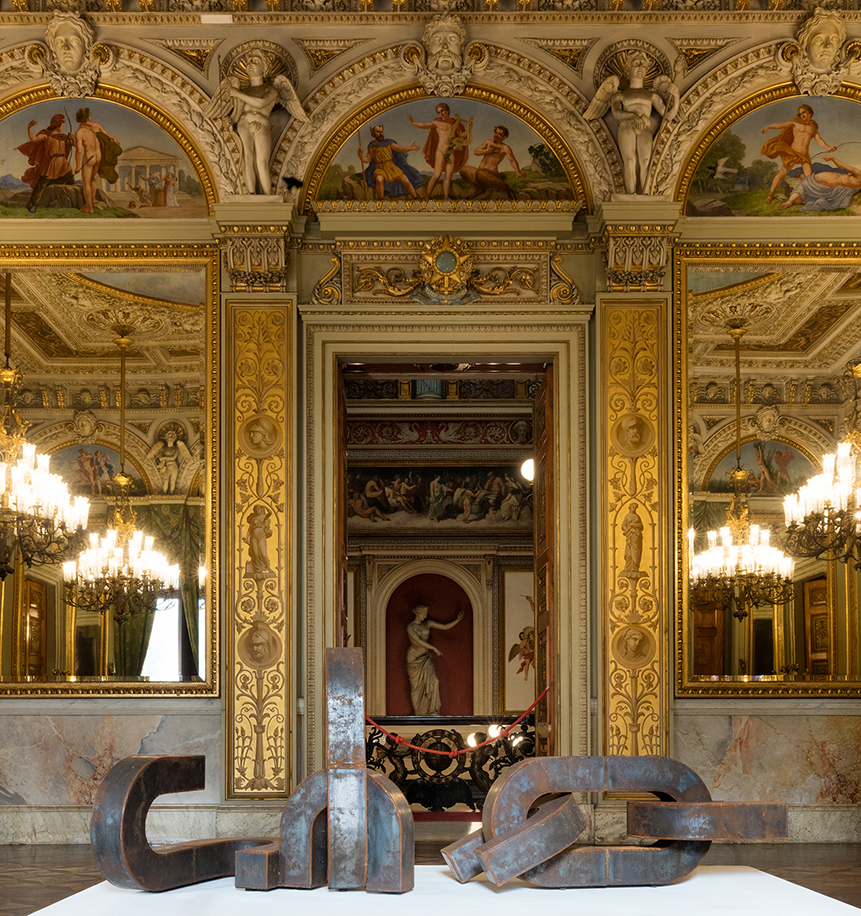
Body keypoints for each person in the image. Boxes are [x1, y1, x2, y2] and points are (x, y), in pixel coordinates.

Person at [207, 49, 308, 195]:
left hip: (262, 124)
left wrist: (237, 93)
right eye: (249, 61)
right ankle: (251, 194)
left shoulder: (271, 90)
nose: (250, 64)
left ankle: (268, 197)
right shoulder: (243, 91)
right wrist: (230, 123)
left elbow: (261, 103)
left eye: (255, 61)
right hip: (244, 124)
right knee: (247, 159)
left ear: (264, 67)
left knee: (262, 162)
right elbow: (237, 114)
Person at [760, 104, 836, 204]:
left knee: (809, 179)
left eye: (804, 112)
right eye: (800, 114)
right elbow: (781, 125)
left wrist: (829, 147)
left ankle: (808, 197)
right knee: (781, 174)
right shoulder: (795, 123)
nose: (802, 115)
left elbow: (819, 140)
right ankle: (770, 195)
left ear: (810, 113)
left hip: (804, 155)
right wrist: (769, 126)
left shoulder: (813, 128)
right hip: (793, 153)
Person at [406, 604, 463, 716]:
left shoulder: (428, 623)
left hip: (425, 658)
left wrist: (457, 620)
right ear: (417, 613)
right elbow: (418, 641)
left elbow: (445, 626)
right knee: (417, 687)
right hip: (414, 659)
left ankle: (433, 710)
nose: (425, 616)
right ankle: (419, 712)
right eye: (423, 614)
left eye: (426, 613)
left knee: (434, 681)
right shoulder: (410, 627)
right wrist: (433, 648)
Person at [408, 102, 472, 201]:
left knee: (448, 175)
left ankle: (446, 197)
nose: (441, 113)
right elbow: (424, 125)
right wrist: (413, 123)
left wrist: (469, 128)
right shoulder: (437, 122)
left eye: (442, 111)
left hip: (451, 151)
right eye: (439, 112)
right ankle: (427, 196)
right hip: (440, 151)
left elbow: (462, 135)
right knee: (437, 175)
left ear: (447, 110)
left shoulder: (455, 122)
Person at [16, 115, 75, 213]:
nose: (62, 127)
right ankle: (33, 204)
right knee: (41, 184)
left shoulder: (63, 137)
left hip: (63, 163)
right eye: (62, 125)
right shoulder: (46, 136)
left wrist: (72, 138)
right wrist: (29, 128)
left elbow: (75, 144)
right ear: (57, 125)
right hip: (52, 162)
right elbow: (33, 139)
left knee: (70, 180)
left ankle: (53, 183)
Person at [73, 107, 121, 214]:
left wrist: (77, 166)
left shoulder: (80, 132)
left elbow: (79, 151)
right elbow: (107, 136)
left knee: (86, 182)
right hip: (98, 156)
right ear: (88, 116)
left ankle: (89, 208)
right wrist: (113, 137)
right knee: (92, 179)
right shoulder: (97, 126)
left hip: (89, 157)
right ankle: (93, 200)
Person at [358, 124, 423, 200]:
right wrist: (360, 155)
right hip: (380, 168)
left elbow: (400, 149)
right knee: (379, 180)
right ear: (373, 133)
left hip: (391, 167)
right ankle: (381, 201)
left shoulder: (388, 143)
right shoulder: (371, 146)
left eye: (382, 131)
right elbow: (367, 159)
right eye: (378, 132)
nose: (381, 133)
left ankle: (416, 198)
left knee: (406, 181)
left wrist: (411, 148)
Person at [777, 155, 861, 212]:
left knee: (804, 186)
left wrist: (832, 158)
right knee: (803, 186)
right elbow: (843, 166)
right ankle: (790, 201)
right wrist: (832, 159)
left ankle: (791, 201)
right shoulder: (859, 174)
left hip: (827, 189)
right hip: (821, 183)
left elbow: (843, 166)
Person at [462, 126, 525, 200]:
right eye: (495, 132)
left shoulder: (505, 148)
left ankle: (504, 189)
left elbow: (512, 160)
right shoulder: (488, 142)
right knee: (463, 169)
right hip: (479, 172)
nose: (496, 135)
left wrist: (518, 172)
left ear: (504, 137)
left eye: (499, 134)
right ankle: (481, 188)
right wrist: (486, 151)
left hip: (491, 173)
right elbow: (476, 151)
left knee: (481, 173)